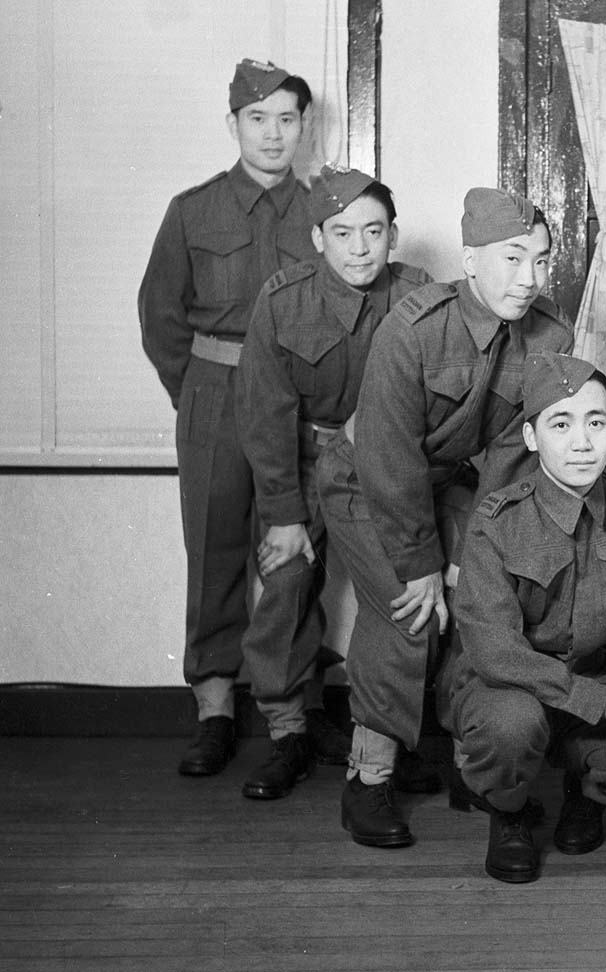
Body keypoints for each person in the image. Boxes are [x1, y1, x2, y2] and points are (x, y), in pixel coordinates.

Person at [316, 187, 573, 848]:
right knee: (408, 612)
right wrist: (424, 564)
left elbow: (514, 457)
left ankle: (476, 769)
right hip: (364, 480)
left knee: (485, 601)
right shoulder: (414, 327)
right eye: (512, 259)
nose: (530, 278)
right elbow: (388, 457)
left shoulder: (551, 334)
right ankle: (367, 781)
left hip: (447, 486)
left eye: (541, 261)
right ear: (469, 261)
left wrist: (477, 553)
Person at [139, 58, 330, 777]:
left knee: (294, 562)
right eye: (258, 119)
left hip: (300, 405)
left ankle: (292, 716)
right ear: (233, 125)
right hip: (214, 396)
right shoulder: (193, 210)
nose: (274, 134)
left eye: (287, 119)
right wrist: (197, 397)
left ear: (303, 127)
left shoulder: (325, 212)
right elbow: (160, 318)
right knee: (215, 553)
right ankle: (215, 709)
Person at [234, 165, 430, 800]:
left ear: (393, 236)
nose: (360, 248)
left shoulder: (419, 296)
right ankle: (288, 732)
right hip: (303, 459)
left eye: (374, 231)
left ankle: (396, 742)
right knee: (288, 581)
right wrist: (287, 516)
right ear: (317, 238)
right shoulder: (283, 299)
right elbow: (264, 415)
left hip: (386, 463)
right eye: (342, 233)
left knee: (406, 591)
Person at [440, 352, 606, 884]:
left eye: (596, 422)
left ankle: (585, 795)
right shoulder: (496, 524)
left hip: (596, 676)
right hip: (508, 687)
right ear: (532, 436)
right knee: (511, 725)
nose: (582, 442)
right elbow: (496, 653)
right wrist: (604, 702)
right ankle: (510, 812)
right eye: (560, 424)